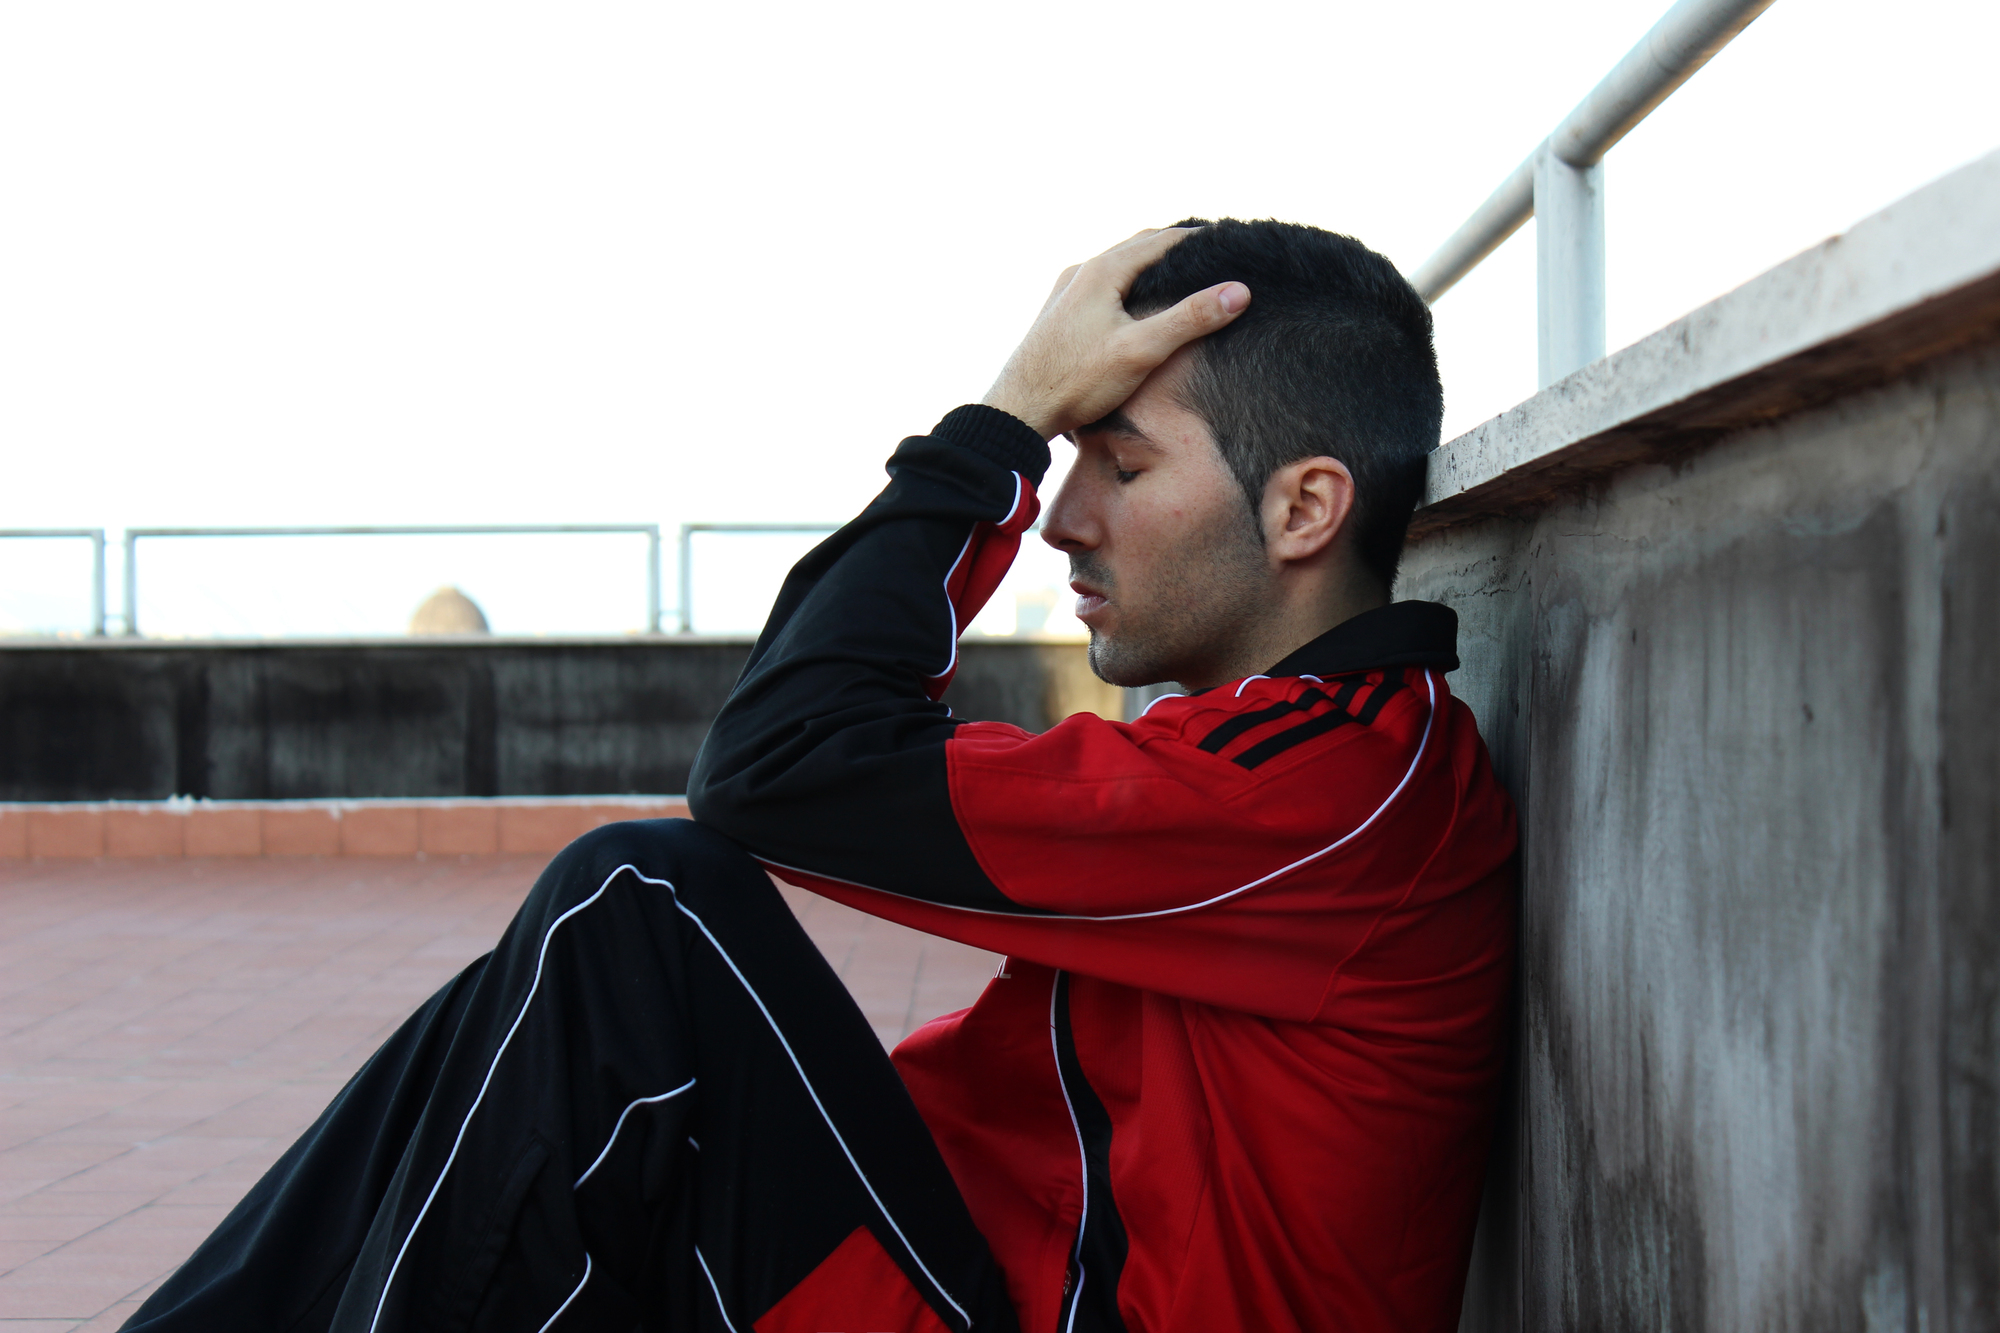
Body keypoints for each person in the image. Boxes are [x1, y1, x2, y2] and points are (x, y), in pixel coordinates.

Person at [123, 220, 1516, 1333]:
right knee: (552, 1007)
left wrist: (1007, 416)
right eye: (1071, 457)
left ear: (1304, 507)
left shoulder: (1324, 790)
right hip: (988, 1271)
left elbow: (777, 763)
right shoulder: (1296, 765)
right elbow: (789, 747)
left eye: (1121, 462)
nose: (1066, 519)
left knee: (637, 917)